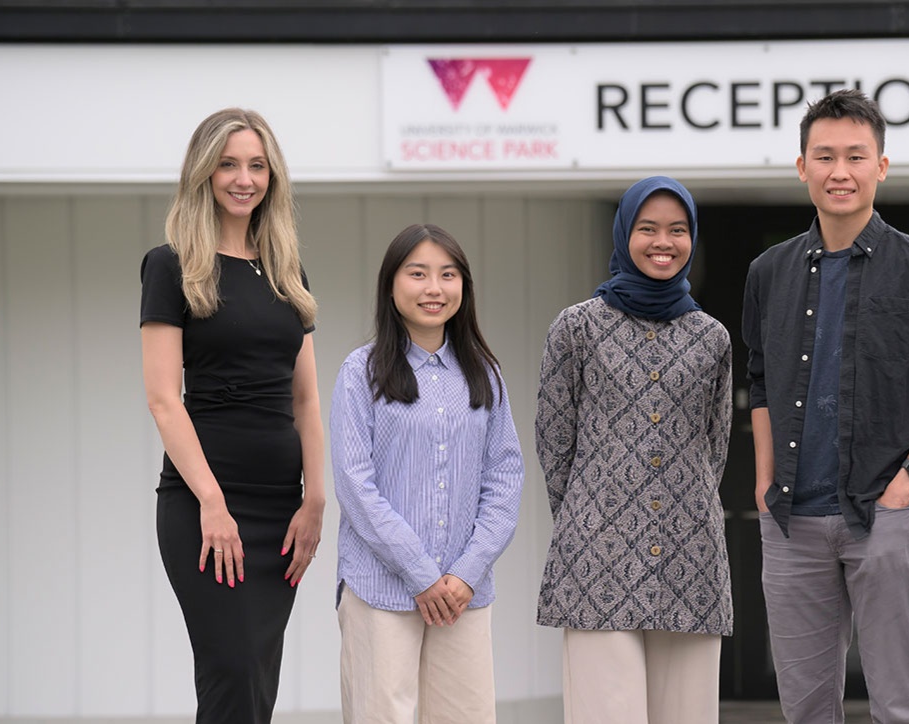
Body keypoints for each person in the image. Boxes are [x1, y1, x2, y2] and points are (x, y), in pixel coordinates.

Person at [742, 88, 909, 723]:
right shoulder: (768, 271)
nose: (838, 171)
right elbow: (759, 384)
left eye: (855, 155)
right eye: (824, 156)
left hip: (888, 512)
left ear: (881, 166)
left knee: (900, 704)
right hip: (792, 519)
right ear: (801, 167)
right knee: (806, 709)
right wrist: (766, 483)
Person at [140, 108, 324, 723]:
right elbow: (165, 399)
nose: (244, 178)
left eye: (256, 165)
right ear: (204, 172)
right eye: (228, 164)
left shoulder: (286, 272)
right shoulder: (171, 266)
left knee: (257, 684)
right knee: (233, 674)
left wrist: (316, 499)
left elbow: (306, 400)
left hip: (282, 511)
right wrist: (212, 505)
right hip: (204, 506)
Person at [535, 176, 734, 724]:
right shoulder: (576, 328)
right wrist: (590, 518)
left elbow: (714, 445)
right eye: (647, 228)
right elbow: (555, 440)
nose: (662, 242)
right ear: (624, 234)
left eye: (677, 230)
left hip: (691, 555)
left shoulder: (711, 336)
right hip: (597, 558)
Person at [330, 224, 524, 724]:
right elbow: (355, 484)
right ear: (391, 286)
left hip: (464, 595)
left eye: (448, 274)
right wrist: (421, 574)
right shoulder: (361, 371)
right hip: (381, 590)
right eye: (418, 274)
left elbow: (504, 479)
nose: (434, 288)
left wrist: (463, 573)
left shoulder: (485, 372)